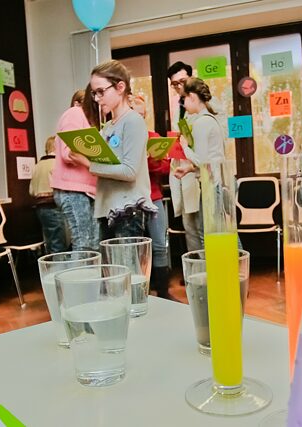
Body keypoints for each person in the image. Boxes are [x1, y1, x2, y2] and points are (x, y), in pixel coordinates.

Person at [72, 60, 157, 238]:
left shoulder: (133, 121)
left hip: (128, 209)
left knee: (127, 257)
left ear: (120, 87)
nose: (97, 98)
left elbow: (129, 171)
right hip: (107, 207)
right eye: (94, 93)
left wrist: (88, 164)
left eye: (101, 91)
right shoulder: (108, 126)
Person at [171, 77, 231, 252]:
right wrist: (189, 169)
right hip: (215, 183)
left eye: (184, 99)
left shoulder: (201, 122)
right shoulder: (210, 119)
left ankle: (222, 269)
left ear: (191, 97)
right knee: (221, 235)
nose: (183, 105)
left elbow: (201, 160)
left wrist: (184, 146)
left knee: (213, 237)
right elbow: (208, 159)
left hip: (211, 186)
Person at [130, 96, 174, 299]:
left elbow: (166, 167)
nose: (139, 118)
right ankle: (140, 294)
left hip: (153, 197)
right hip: (131, 200)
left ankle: (164, 292)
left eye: (142, 115)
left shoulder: (153, 137)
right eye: (135, 114)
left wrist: (150, 161)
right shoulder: (123, 137)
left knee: (159, 245)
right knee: (136, 249)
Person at [52, 90, 99, 251]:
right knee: (83, 243)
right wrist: (95, 163)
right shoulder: (75, 113)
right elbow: (69, 152)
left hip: (88, 190)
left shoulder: (89, 121)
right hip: (73, 189)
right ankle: (78, 269)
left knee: (93, 245)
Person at [31, 136, 69, 254]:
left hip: (40, 208)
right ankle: (59, 265)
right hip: (53, 206)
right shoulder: (57, 164)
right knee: (58, 244)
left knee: (51, 241)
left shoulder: (37, 166)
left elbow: (31, 191)